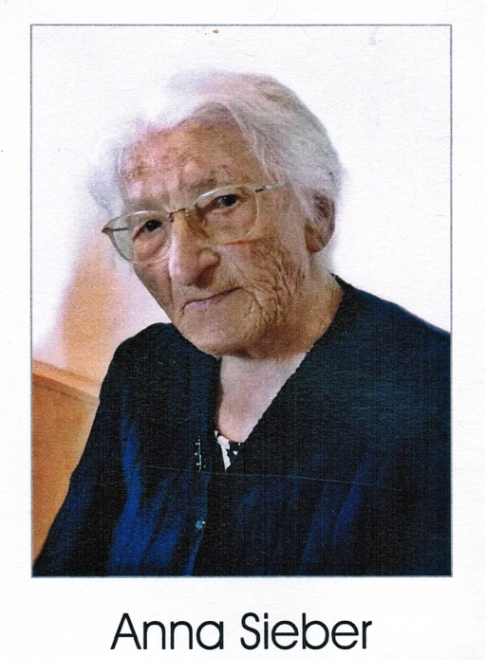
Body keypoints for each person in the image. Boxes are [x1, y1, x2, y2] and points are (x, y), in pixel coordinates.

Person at [34, 72, 450, 577]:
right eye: (150, 225)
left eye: (223, 202)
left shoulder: (441, 392)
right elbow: (65, 579)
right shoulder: (146, 369)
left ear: (317, 216)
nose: (183, 267)